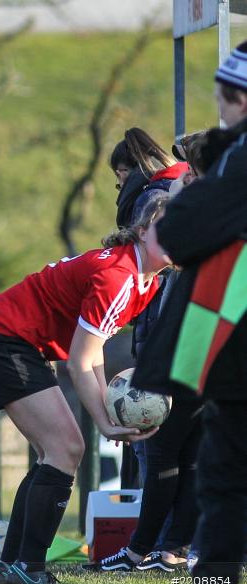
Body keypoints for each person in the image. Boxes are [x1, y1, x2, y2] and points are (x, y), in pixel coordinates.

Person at [0, 195, 169, 584]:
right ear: (142, 232)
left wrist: (108, 413)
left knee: (54, 453)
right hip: (1, 339)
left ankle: (12, 566)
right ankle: (29, 567)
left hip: (14, 341)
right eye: (167, 225)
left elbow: (91, 357)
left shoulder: (145, 282)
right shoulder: (120, 278)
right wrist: (106, 424)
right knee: (66, 449)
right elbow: (79, 362)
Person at [132, 41, 247, 584]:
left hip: (234, 352)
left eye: (224, 100)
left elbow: (175, 236)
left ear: (240, 100)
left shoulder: (240, 159)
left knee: (223, 496)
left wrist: (186, 195)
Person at [108, 128, 188, 490]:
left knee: (155, 458)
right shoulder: (172, 191)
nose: (118, 186)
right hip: (174, 350)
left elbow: (159, 289)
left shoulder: (150, 200)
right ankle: (165, 543)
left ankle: (157, 545)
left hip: (161, 354)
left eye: (120, 175)